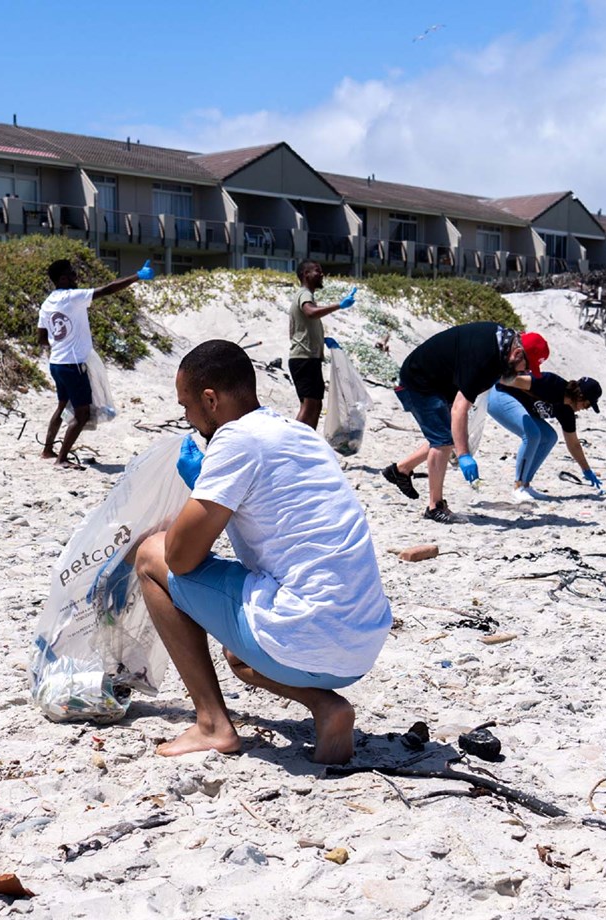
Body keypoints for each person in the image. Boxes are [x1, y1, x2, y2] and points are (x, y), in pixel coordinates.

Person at [131, 340, 391, 765]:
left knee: (149, 556)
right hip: (360, 644)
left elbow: (179, 559)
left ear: (210, 399)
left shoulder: (236, 441)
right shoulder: (299, 434)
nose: (186, 418)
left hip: (304, 632)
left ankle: (212, 725)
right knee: (240, 652)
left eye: (187, 406)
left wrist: (200, 487)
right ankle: (327, 706)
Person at [381, 322, 536, 523]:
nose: (525, 373)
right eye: (527, 367)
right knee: (444, 441)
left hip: (436, 381)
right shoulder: (487, 360)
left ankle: (400, 470)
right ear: (516, 354)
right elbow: (459, 408)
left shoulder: (499, 343)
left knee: (444, 436)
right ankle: (434, 507)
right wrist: (464, 455)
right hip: (419, 383)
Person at [37, 256, 151, 466]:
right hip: (73, 365)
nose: (76, 276)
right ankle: (61, 459)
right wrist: (137, 276)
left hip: (56, 364)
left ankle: (47, 451)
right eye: (72, 273)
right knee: (82, 414)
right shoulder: (72, 297)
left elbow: (42, 339)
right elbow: (107, 289)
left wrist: (61, 341)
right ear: (62, 279)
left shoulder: (46, 304)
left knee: (62, 405)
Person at [486, 369, 605, 500]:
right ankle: (518, 486)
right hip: (499, 394)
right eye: (587, 405)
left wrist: (586, 470)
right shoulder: (550, 383)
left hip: (520, 406)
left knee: (549, 437)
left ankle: (525, 485)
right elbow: (513, 380)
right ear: (580, 396)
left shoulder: (567, 412)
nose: (585, 409)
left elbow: (574, 444)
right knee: (532, 434)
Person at [287, 260, 357, 428]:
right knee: (309, 405)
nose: (322, 274)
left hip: (309, 358)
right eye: (317, 271)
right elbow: (310, 313)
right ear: (306, 274)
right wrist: (339, 305)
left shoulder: (306, 295)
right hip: (304, 359)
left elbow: (305, 325)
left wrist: (321, 339)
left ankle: (306, 444)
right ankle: (292, 442)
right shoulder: (304, 294)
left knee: (316, 405)